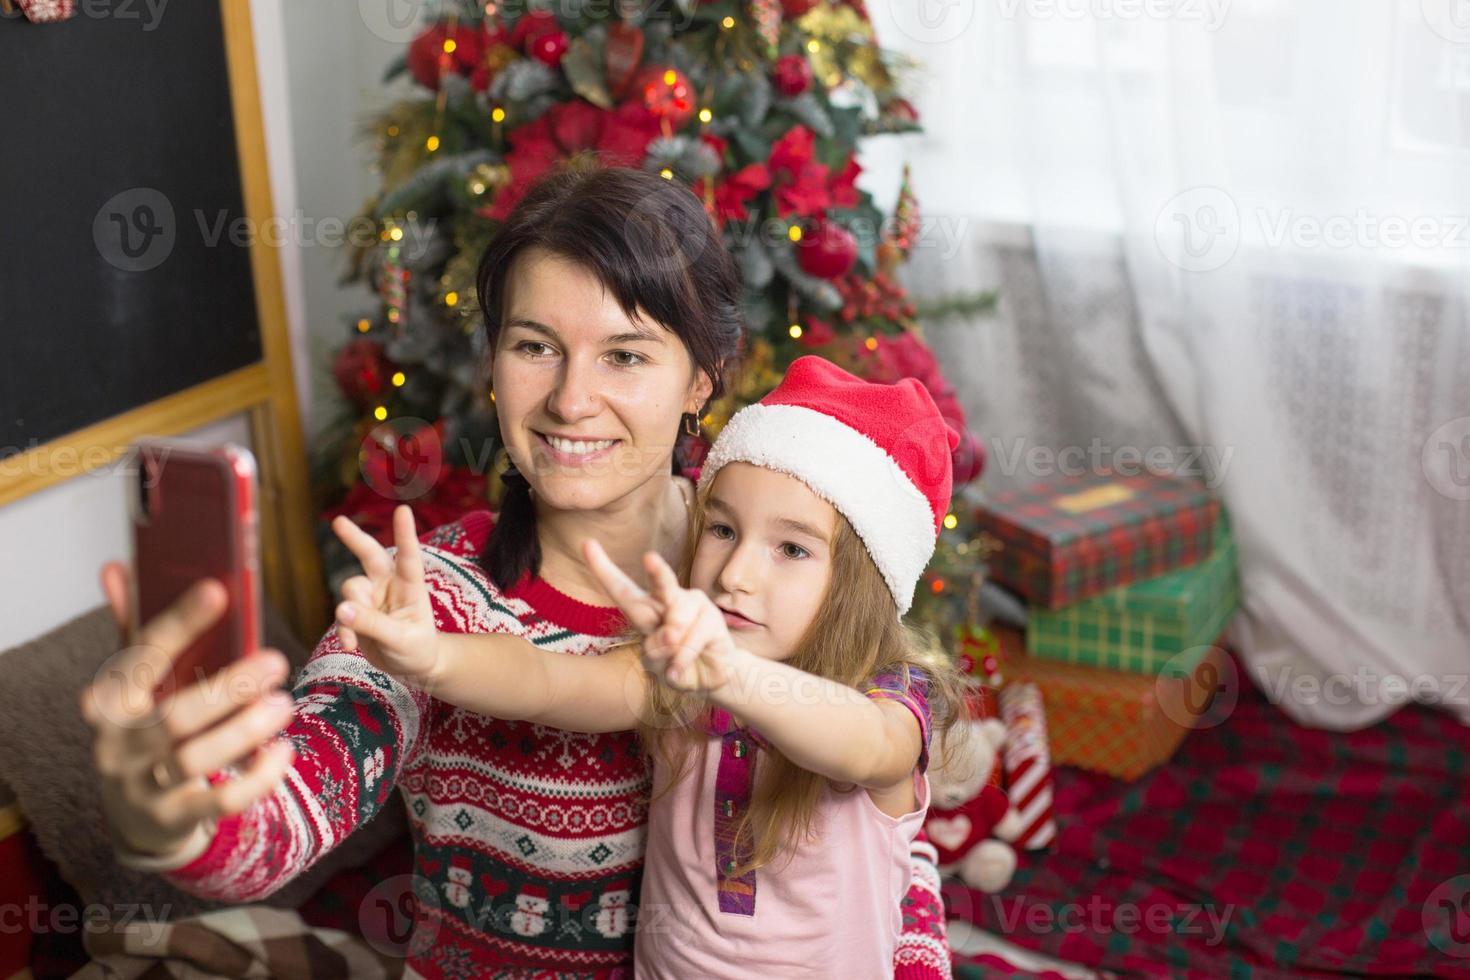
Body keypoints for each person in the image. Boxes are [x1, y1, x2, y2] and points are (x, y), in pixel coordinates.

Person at [80, 162, 955, 977]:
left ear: (703, 379)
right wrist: (173, 813)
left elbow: (881, 837)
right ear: (493, 364)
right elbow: (291, 806)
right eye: (535, 346)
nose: (572, 401)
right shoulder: (428, 596)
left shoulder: (771, 558)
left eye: (625, 354)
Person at [331, 355, 970, 977]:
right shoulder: (681, 670)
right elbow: (549, 679)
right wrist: (435, 655)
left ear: (862, 584)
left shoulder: (890, 701)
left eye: (792, 548)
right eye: (722, 531)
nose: (736, 573)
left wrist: (731, 677)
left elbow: (863, 748)